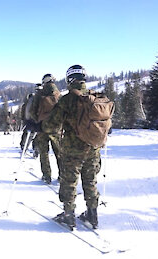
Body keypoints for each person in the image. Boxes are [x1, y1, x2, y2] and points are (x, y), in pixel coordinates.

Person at [43, 65, 103, 229]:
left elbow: (51, 126)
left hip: (73, 149)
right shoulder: (94, 97)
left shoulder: (68, 99)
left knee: (69, 181)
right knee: (90, 180)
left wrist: (40, 126)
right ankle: (92, 215)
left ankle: (68, 215)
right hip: (93, 148)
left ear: (70, 79)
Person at [30, 74, 62, 184]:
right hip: (56, 129)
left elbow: (32, 111)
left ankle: (46, 175)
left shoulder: (39, 94)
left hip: (42, 128)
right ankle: (62, 175)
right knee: (59, 153)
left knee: (44, 153)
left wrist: (37, 121)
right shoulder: (59, 94)